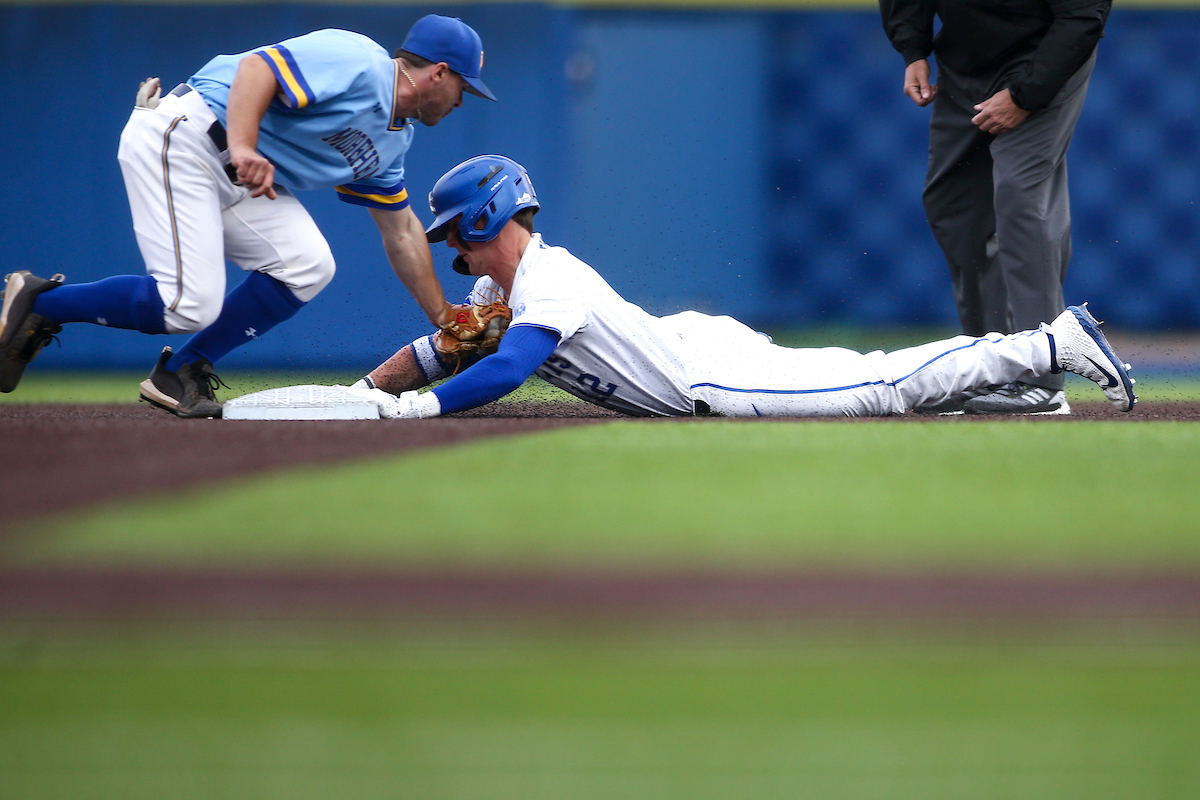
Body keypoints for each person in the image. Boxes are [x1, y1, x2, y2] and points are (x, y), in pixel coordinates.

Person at [337, 155, 1136, 421]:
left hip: (707, 377)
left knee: (881, 385)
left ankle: (1050, 343)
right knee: (871, 376)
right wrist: (361, 394)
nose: (453, 257)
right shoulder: (496, 296)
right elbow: (433, 353)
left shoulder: (549, 278)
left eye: (454, 238)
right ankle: (1001, 389)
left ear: (482, 220)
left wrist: (417, 411)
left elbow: (509, 370)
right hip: (689, 347)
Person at [0, 15, 495, 417]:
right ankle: (45, 302)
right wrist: (242, 145)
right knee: (185, 305)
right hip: (188, 139)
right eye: (463, 88)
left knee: (307, 264)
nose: (460, 101)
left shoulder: (393, 138)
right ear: (439, 73)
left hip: (238, 173)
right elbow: (258, 70)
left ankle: (182, 371)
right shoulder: (359, 58)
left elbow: (402, 231)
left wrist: (446, 318)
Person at [879, 0, 1112, 415]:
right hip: (964, 62)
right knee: (953, 207)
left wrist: (1026, 94)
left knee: (1021, 196)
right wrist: (912, 49)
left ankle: (1041, 377)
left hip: (1043, 54)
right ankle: (989, 371)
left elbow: (1082, 15)